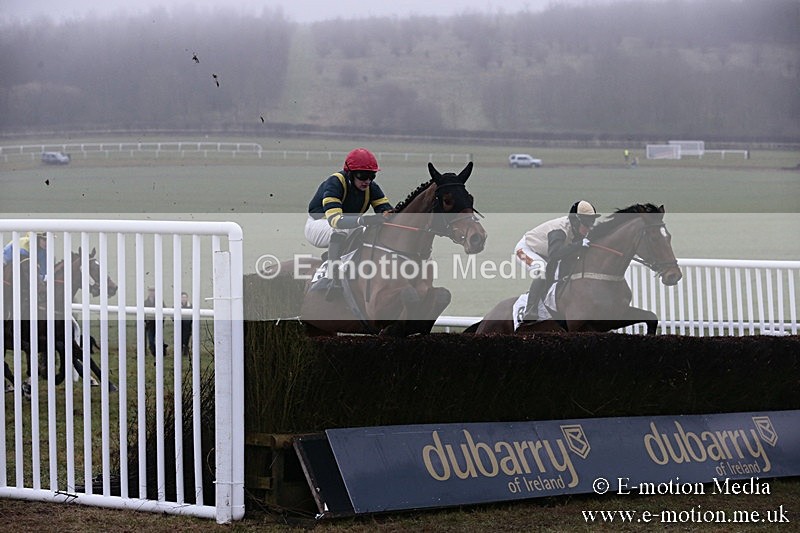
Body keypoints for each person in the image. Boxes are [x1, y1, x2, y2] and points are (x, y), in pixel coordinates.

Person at [305, 148, 393, 294]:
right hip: (318, 225)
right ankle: (330, 277)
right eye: (363, 175)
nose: (367, 181)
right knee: (344, 228)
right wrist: (367, 220)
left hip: (345, 228)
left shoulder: (372, 188)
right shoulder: (335, 183)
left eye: (372, 176)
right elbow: (335, 221)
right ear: (350, 173)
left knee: (370, 231)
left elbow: (386, 212)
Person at [514, 200, 601, 325]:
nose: (588, 228)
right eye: (586, 225)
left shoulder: (576, 230)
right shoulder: (559, 229)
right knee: (541, 269)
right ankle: (530, 310)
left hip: (544, 252)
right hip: (524, 250)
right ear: (576, 221)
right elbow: (555, 254)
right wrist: (578, 245)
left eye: (591, 224)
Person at [144, 287, 168, 357]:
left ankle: (163, 352)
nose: (151, 293)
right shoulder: (145, 302)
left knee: (159, 338)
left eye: (153, 291)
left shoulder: (159, 301)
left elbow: (164, 310)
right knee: (151, 339)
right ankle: (154, 352)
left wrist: (162, 320)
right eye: (150, 291)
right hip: (150, 324)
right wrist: (146, 321)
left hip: (158, 323)